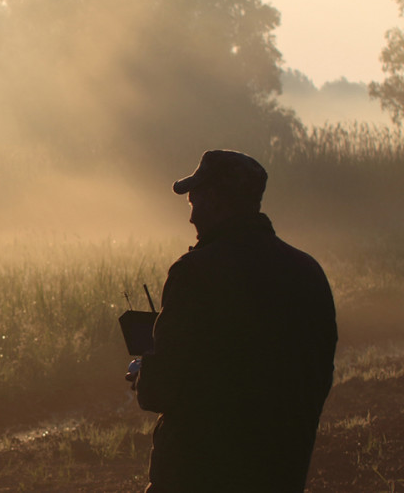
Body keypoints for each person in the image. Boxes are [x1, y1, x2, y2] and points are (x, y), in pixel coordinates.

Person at [134, 150, 338, 492]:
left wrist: (145, 372)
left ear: (215, 200)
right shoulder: (308, 272)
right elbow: (316, 375)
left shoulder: (196, 273)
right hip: (281, 470)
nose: (191, 214)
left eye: (194, 199)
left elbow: (162, 389)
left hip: (198, 474)